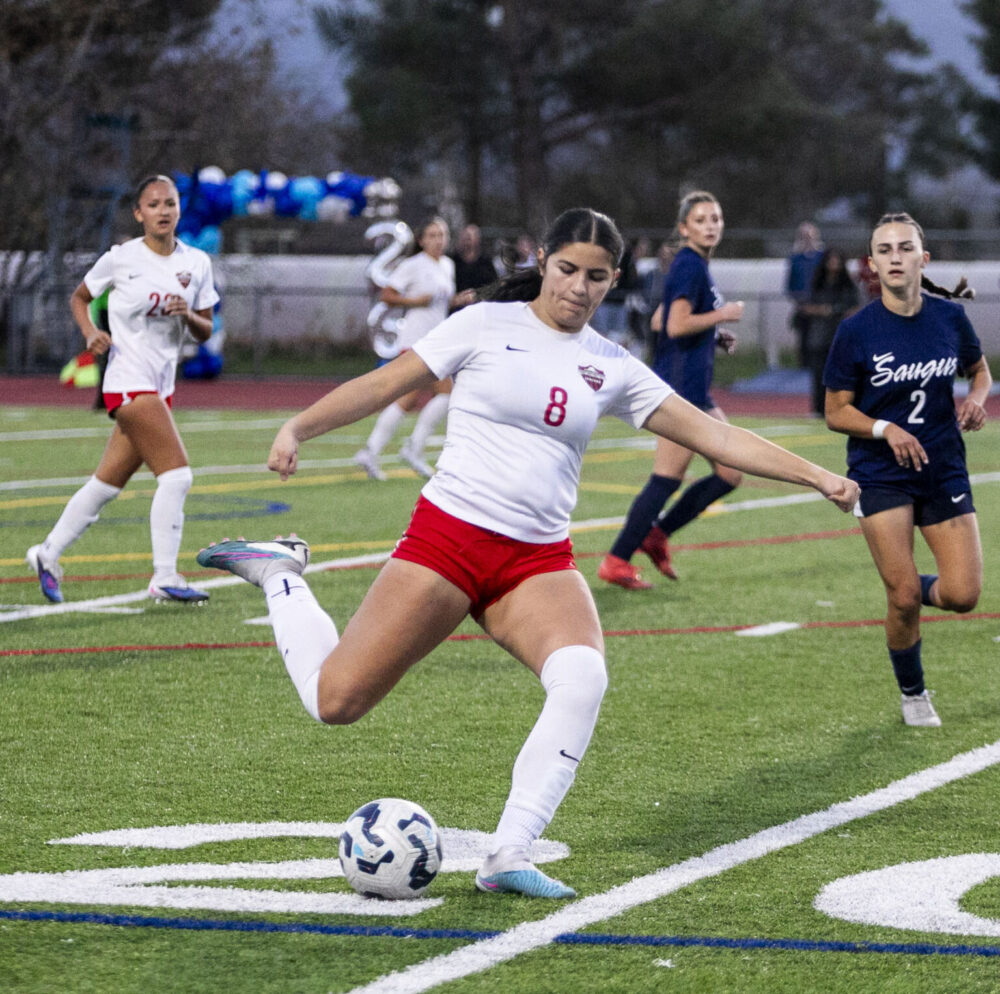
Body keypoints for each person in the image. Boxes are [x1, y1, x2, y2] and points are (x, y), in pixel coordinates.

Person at [197, 207, 858, 899]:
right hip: (448, 542)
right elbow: (387, 382)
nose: (578, 287)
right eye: (568, 269)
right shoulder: (485, 323)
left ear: (613, 282)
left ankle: (508, 851)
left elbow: (713, 437)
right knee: (335, 701)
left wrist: (817, 475)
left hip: (535, 561)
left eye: (596, 277)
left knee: (583, 678)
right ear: (544, 259)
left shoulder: (610, 363)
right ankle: (279, 574)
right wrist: (298, 426)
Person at [824, 212, 990, 728]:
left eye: (905, 248)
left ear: (924, 258)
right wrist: (884, 429)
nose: (895, 257)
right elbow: (835, 411)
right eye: (885, 250)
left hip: (943, 468)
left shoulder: (949, 318)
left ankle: (907, 583)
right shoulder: (856, 330)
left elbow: (979, 371)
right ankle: (913, 691)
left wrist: (978, 399)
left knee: (964, 595)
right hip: (881, 473)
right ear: (871, 264)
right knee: (902, 599)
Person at [25, 174, 218, 604]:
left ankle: (47, 553)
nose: (163, 211)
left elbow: (205, 331)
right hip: (127, 383)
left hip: (160, 387)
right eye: (153, 204)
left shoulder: (197, 263)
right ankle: (165, 577)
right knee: (178, 476)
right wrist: (90, 331)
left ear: (179, 209)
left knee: (105, 486)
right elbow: (79, 297)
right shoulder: (121, 258)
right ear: (139, 213)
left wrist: (188, 314)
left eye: (169, 203)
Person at [598, 190, 745, 590]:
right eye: (700, 219)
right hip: (678, 390)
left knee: (731, 473)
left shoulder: (694, 265)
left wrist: (715, 332)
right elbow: (677, 324)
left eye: (715, 218)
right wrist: (723, 314)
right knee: (665, 478)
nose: (710, 225)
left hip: (694, 389)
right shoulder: (689, 264)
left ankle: (656, 535)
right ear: (684, 228)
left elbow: (664, 320)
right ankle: (616, 560)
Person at [353, 217, 474, 480]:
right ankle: (397, 449)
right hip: (416, 340)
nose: (438, 239)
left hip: (438, 340)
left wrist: (457, 299)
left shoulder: (447, 265)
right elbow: (387, 295)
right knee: (421, 397)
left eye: (441, 234)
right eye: (432, 235)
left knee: (435, 396)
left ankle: (393, 450)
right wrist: (415, 301)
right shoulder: (413, 265)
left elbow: (439, 301)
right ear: (421, 240)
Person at [798, 249, 860, 417]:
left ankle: (841, 407)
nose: (833, 264)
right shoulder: (817, 284)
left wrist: (832, 311)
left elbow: (854, 307)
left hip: (838, 336)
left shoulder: (847, 286)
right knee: (818, 373)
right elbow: (805, 306)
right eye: (830, 260)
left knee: (840, 375)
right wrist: (820, 311)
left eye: (836, 260)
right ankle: (818, 408)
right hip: (818, 336)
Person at [785, 221, 825, 367]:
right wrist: (800, 301)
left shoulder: (822, 257)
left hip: (821, 305)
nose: (807, 239)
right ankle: (804, 366)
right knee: (803, 337)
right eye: (804, 236)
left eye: (810, 236)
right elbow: (790, 284)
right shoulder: (795, 259)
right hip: (803, 306)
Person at [450, 223, 498, 294]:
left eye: (469, 238)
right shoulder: (452, 261)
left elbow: (494, 285)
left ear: (477, 240)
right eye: (464, 237)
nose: (467, 242)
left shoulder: (486, 262)